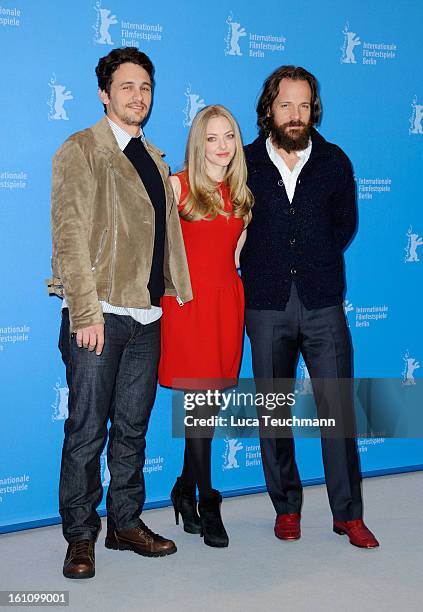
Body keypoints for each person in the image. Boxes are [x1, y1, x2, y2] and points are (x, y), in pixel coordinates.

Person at [48, 47, 192, 579]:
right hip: (99, 316)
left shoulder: (153, 158)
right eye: (128, 86)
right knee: (87, 431)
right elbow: (68, 239)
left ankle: (125, 523)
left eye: (146, 88)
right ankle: (80, 536)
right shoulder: (80, 149)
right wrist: (83, 312)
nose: (139, 96)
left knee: (132, 430)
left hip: (147, 316)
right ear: (105, 93)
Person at [240, 66, 379, 548]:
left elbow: (345, 226)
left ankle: (348, 514)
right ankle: (287, 508)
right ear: (269, 109)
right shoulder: (244, 161)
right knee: (273, 415)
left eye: (303, 105)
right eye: (286, 105)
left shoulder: (335, 161)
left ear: (313, 108)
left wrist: (312, 262)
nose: (295, 115)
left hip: (323, 305)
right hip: (265, 305)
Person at [159, 105, 253, 547]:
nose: (222, 146)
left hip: (226, 305)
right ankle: (208, 499)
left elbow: (234, 254)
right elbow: (152, 248)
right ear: (199, 143)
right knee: (199, 404)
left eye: (228, 136)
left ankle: (182, 489)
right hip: (188, 306)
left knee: (206, 408)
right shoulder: (176, 186)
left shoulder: (242, 194)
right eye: (212, 138)